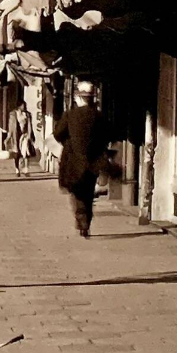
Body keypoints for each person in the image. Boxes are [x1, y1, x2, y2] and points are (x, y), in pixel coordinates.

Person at [53, 81, 109, 237]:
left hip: (73, 162)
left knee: (76, 192)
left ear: (78, 97)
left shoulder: (70, 115)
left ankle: (81, 219)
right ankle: (86, 222)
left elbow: (58, 134)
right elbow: (106, 136)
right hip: (92, 161)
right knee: (88, 193)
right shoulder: (98, 116)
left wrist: (68, 142)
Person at [7, 100, 36, 178]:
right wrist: (8, 137)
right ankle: (17, 169)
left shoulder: (27, 115)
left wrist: (30, 135)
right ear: (19, 106)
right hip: (16, 136)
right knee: (17, 154)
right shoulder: (13, 114)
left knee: (26, 152)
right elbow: (11, 126)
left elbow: (30, 125)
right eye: (22, 105)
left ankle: (26, 169)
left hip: (25, 135)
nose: (24, 107)